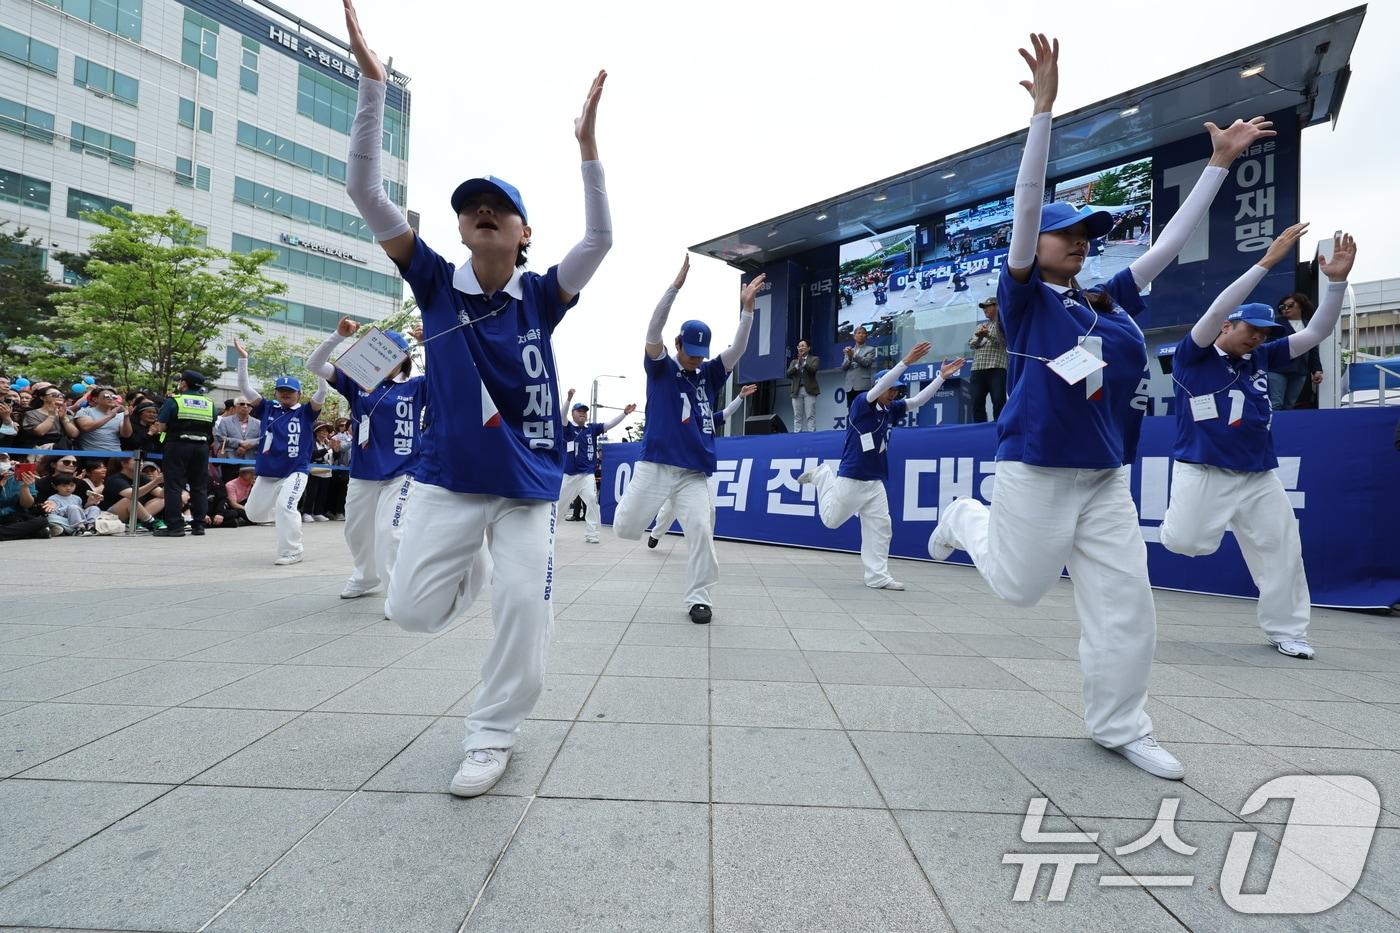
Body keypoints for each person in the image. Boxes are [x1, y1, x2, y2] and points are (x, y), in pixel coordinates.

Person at [927, 33, 1275, 781]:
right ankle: (964, 516)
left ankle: (1120, 724)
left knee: (1128, 607)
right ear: (1038, 244)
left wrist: (1218, 166)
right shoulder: (1022, 299)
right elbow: (1025, 207)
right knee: (1019, 590)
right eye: (1070, 233)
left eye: (1091, 235)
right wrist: (1044, 113)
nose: (1083, 243)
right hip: (1036, 469)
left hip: (1104, 476)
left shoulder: (1109, 301)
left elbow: (1173, 244)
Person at [340, 0, 613, 797]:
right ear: (459, 229)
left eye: (498, 206)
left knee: (527, 605)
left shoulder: (543, 295)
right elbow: (364, 189)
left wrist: (588, 150)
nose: (481, 211)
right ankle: (468, 573)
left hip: (528, 485)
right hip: (448, 478)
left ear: (524, 231)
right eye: (469, 206)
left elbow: (598, 242)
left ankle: (491, 734)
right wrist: (372, 87)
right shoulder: (431, 281)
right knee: (411, 614)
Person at [1159, 226, 1354, 661]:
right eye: (1252, 329)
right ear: (1229, 325)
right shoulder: (1195, 355)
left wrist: (1337, 283)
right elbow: (1215, 309)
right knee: (1187, 543)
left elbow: (1317, 331)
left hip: (1259, 474)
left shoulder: (1264, 357)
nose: (1258, 337)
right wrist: (1266, 262)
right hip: (1203, 468)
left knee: (1283, 549)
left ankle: (1288, 630)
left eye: (1265, 332)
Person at [612, 256, 762, 623]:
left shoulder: (708, 373)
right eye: (691, 353)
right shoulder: (661, 367)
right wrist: (674, 289)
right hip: (656, 465)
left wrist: (747, 313)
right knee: (625, 529)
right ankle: (651, 525)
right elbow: (652, 331)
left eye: (701, 355)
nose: (696, 360)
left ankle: (700, 598)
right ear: (678, 343)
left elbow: (738, 350)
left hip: (693, 471)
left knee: (701, 529)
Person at [800, 348, 964, 589]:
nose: (894, 393)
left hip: (875, 481)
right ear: (879, 387)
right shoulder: (861, 405)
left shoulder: (890, 409)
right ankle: (823, 475)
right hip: (853, 477)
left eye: (897, 390)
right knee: (831, 521)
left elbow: (918, 401)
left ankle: (877, 576)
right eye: (891, 389)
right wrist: (905, 362)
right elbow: (877, 389)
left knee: (881, 527)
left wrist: (940, 378)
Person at [307, 320, 427, 598]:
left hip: (403, 471)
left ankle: (399, 593)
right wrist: (338, 335)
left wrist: (426, 342)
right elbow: (315, 365)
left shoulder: (417, 386)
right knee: (356, 530)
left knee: (391, 531)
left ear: (403, 357)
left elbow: (449, 376)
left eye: (389, 352)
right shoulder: (356, 382)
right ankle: (365, 575)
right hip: (363, 470)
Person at [235, 340, 326, 565]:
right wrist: (243, 358)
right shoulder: (267, 407)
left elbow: (322, 391)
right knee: (253, 514)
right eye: (282, 391)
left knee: (286, 506)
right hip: (268, 471)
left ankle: (292, 551)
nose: (285, 395)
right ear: (275, 392)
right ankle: (285, 515)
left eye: (290, 392)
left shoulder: (306, 412)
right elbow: (245, 389)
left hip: (296, 469)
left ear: (299, 394)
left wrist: (321, 368)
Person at [647, 384, 755, 548]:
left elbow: (727, 412)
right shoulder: (680, 421)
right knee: (668, 512)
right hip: (680, 474)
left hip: (703, 474)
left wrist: (740, 396)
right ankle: (656, 534)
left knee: (710, 509)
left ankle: (707, 543)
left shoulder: (707, 421)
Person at [559, 390, 635, 544]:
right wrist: (568, 400)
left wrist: (624, 414)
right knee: (560, 504)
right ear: (573, 414)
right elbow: (561, 416)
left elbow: (609, 425)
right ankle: (549, 529)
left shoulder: (591, 428)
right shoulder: (567, 428)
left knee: (592, 501)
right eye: (579, 411)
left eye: (584, 412)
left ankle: (592, 533)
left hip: (587, 474)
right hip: (569, 475)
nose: (582, 414)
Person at [149, 370, 216, 537]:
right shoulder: (209, 403)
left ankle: (175, 526)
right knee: (199, 486)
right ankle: (198, 525)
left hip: (178, 445)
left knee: (173, 485)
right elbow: (211, 425)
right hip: (201, 447)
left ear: (184, 383)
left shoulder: (175, 401)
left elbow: (162, 426)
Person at [1268, 292, 1325, 410]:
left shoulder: (1309, 325)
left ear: (1301, 305)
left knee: (1290, 405)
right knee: (1276, 403)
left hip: (1299, 370)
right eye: (1282, 307)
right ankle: (1271, 428)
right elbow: (1267, 345)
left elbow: (1313, 349)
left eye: (1290, 305)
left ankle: (1285, 428)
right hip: (1277, 369)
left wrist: (1317, 370)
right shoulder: (1275, 324)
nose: (1286, 309)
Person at [968, 297, 1008, 422]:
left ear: (996, 306)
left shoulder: (1004, 323)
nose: (985, 309)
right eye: (983, 307)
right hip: (977, 368)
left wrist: (988, 335)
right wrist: (980, 337)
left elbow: (1004, 342)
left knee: (998, 401)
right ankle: (979, 430)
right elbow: (972, 344)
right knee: (976, 402)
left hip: (997, 368)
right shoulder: (981, 325)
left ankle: (1000, 427)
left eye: (987, 306)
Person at [100, 456, 164, 530]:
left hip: (133, 514)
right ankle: (152, 523)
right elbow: (132, 495)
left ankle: (139, 523)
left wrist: (169, 480)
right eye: (137, 461)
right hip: (110, 515)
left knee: (162, 499)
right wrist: (155, 481)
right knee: (129, 500)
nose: (141, 463)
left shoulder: (142, 477)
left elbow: (161, 493)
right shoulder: (115, 479)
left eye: (142, 461)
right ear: (124, 464)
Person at [214, 396, 261, 480]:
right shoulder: (225, 421)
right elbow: (220, 437)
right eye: (242, 404)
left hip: (250, 461)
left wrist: (248, 445)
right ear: (235, 407)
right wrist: (239, 443)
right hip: (230, 460)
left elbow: (262, 439)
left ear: (251, 408)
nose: (245, 406)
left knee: (249, 489)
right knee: (228, 486)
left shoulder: (258, 423)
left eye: (248, 404)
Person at [74, 386, 132, 452]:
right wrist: (109, 416)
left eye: (114, 397)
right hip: (91, 455)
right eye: (107, 396)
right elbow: (86, 427)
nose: (111, 398)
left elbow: (126, 435)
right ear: (95, 399)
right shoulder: (85, 411)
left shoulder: (120, 415)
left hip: (115, 454)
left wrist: (126, 417)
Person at [21, 384, 79, 449]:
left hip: (62, 445)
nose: (60, 397)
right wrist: (51, 416)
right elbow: (40, 432)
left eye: (61, 395)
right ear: (43, 398)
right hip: (41, 446)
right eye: (54, 395)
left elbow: (74, 434)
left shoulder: (67, 413)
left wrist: (64, 418)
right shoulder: (31, 413)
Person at [786, 340, 820, 432]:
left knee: (810, 415)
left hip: (809, 390)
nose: (801, 348)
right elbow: (788, 374)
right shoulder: (794, 362)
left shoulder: (814, 359)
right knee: (797, 415)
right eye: (799, 346)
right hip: (796, 390)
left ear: (808, 348)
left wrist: (804, 363)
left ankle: (811, 434)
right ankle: (797, 434)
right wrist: (797, 365)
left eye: (803, 346)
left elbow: (813, 370)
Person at [841, 326, 877, 408]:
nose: (861, 335)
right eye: (859, 333)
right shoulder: (849, 350)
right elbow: (844, 367)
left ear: (866, 336)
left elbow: (867, 362)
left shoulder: (870, 349)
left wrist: (854, 355)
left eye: (863, 333)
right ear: (854, 336)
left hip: (863, 385)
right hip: (850, 386)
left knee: (863, 409)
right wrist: (849, 358)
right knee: (851, 410)